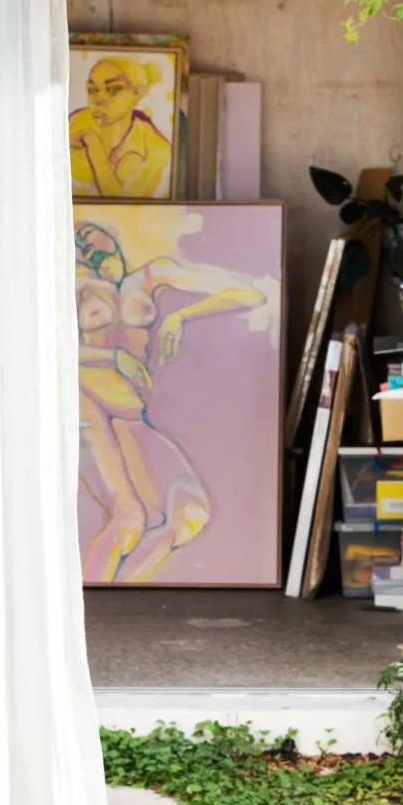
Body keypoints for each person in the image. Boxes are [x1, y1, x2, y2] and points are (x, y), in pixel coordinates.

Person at [74, 217, 278, 583]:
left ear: (111, 235)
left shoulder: (152, 276)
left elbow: (249, 293)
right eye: (80, 245)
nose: (88, 246)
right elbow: (46, 349)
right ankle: (86, 606)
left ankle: (117, 594)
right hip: (88, 396)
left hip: (131, 412)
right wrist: (113, 357)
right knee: (129, 517)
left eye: (90, 235)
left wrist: (181, 316)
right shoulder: (79, 289)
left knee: (190, 517)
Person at [69, 56, 174, 198]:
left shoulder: (155, 149)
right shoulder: (76, 121)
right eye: (92, 90)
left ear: (136, 94)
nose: (97, 99)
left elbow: (122, 203)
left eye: (114, 89)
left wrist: (93, 144)